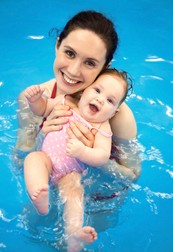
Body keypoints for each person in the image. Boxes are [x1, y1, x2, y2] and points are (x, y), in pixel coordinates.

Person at [15, 10, 141, 182]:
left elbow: (132, 176)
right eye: (69, 53)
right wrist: (42, 137)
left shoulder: (118, 116)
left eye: (90, 63)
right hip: (46, 191)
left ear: (105, 66)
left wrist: (93, 157)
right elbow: (19, 162)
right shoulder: (31, 99)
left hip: (98, 202)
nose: (73, 71)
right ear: (57, 45)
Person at [24, 68, 132, 252]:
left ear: (114, 112)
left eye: (109, 100)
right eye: (97, 91)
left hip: (69, 173)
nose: (100, 99)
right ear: (84, 91)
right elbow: (43, 108)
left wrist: (82, 152)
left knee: (75, 193)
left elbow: (102, 155)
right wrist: (35, 101)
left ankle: (73, 234)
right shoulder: (65, 102)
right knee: (33, 159)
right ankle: (39, 194)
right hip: (47, 160)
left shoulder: (102, 127)